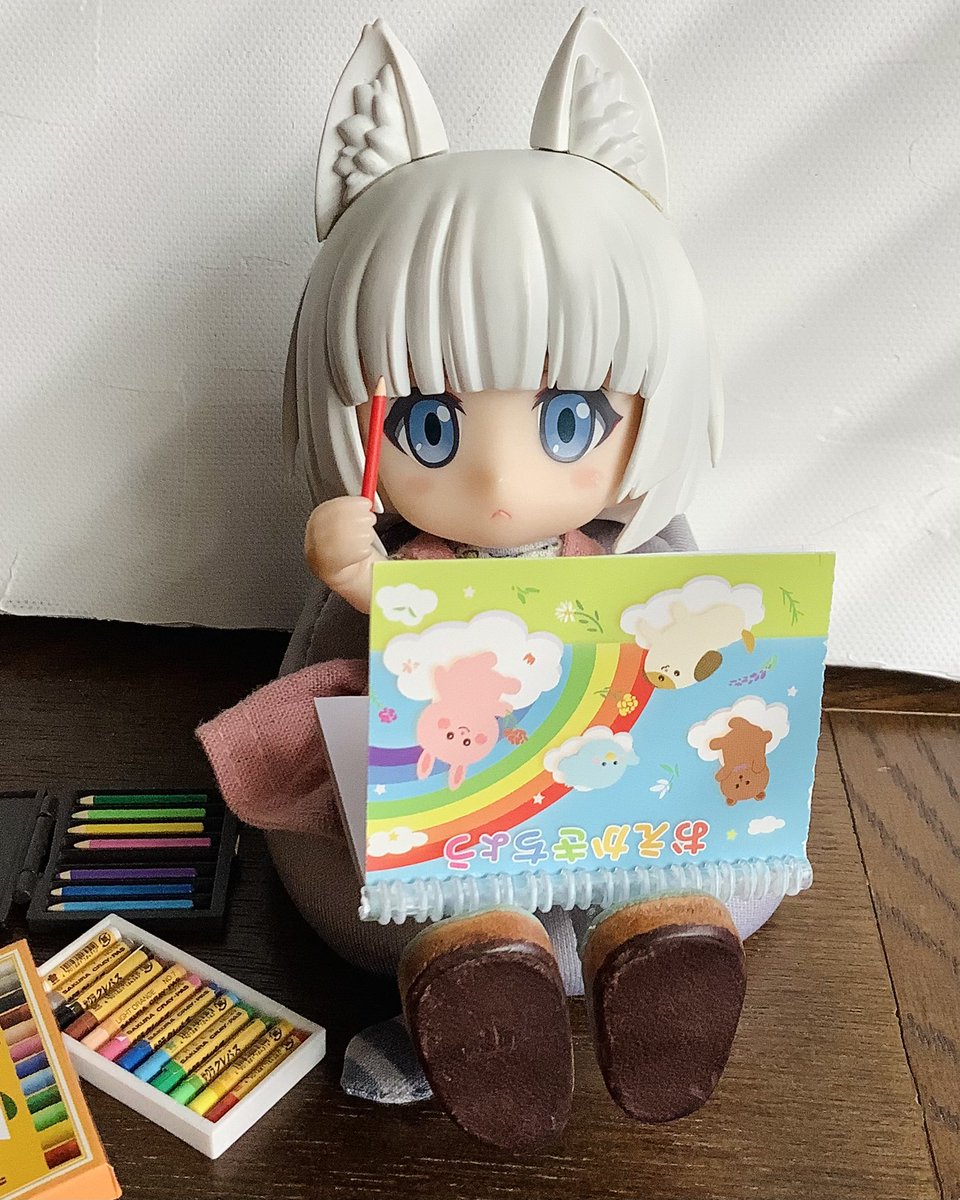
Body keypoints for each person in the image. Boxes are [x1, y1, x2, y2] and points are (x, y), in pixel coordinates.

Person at [199, 11, 784, 1148]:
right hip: (459, 792)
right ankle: (470, 1004)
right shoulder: (405, 560)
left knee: (653, 841)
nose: (504, 485)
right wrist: (353, 568)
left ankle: (658, 968)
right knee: (451, 890)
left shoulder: (635, 553)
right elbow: (377, 651)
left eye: (570, 422)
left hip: (602, 778)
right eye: (431, 425)